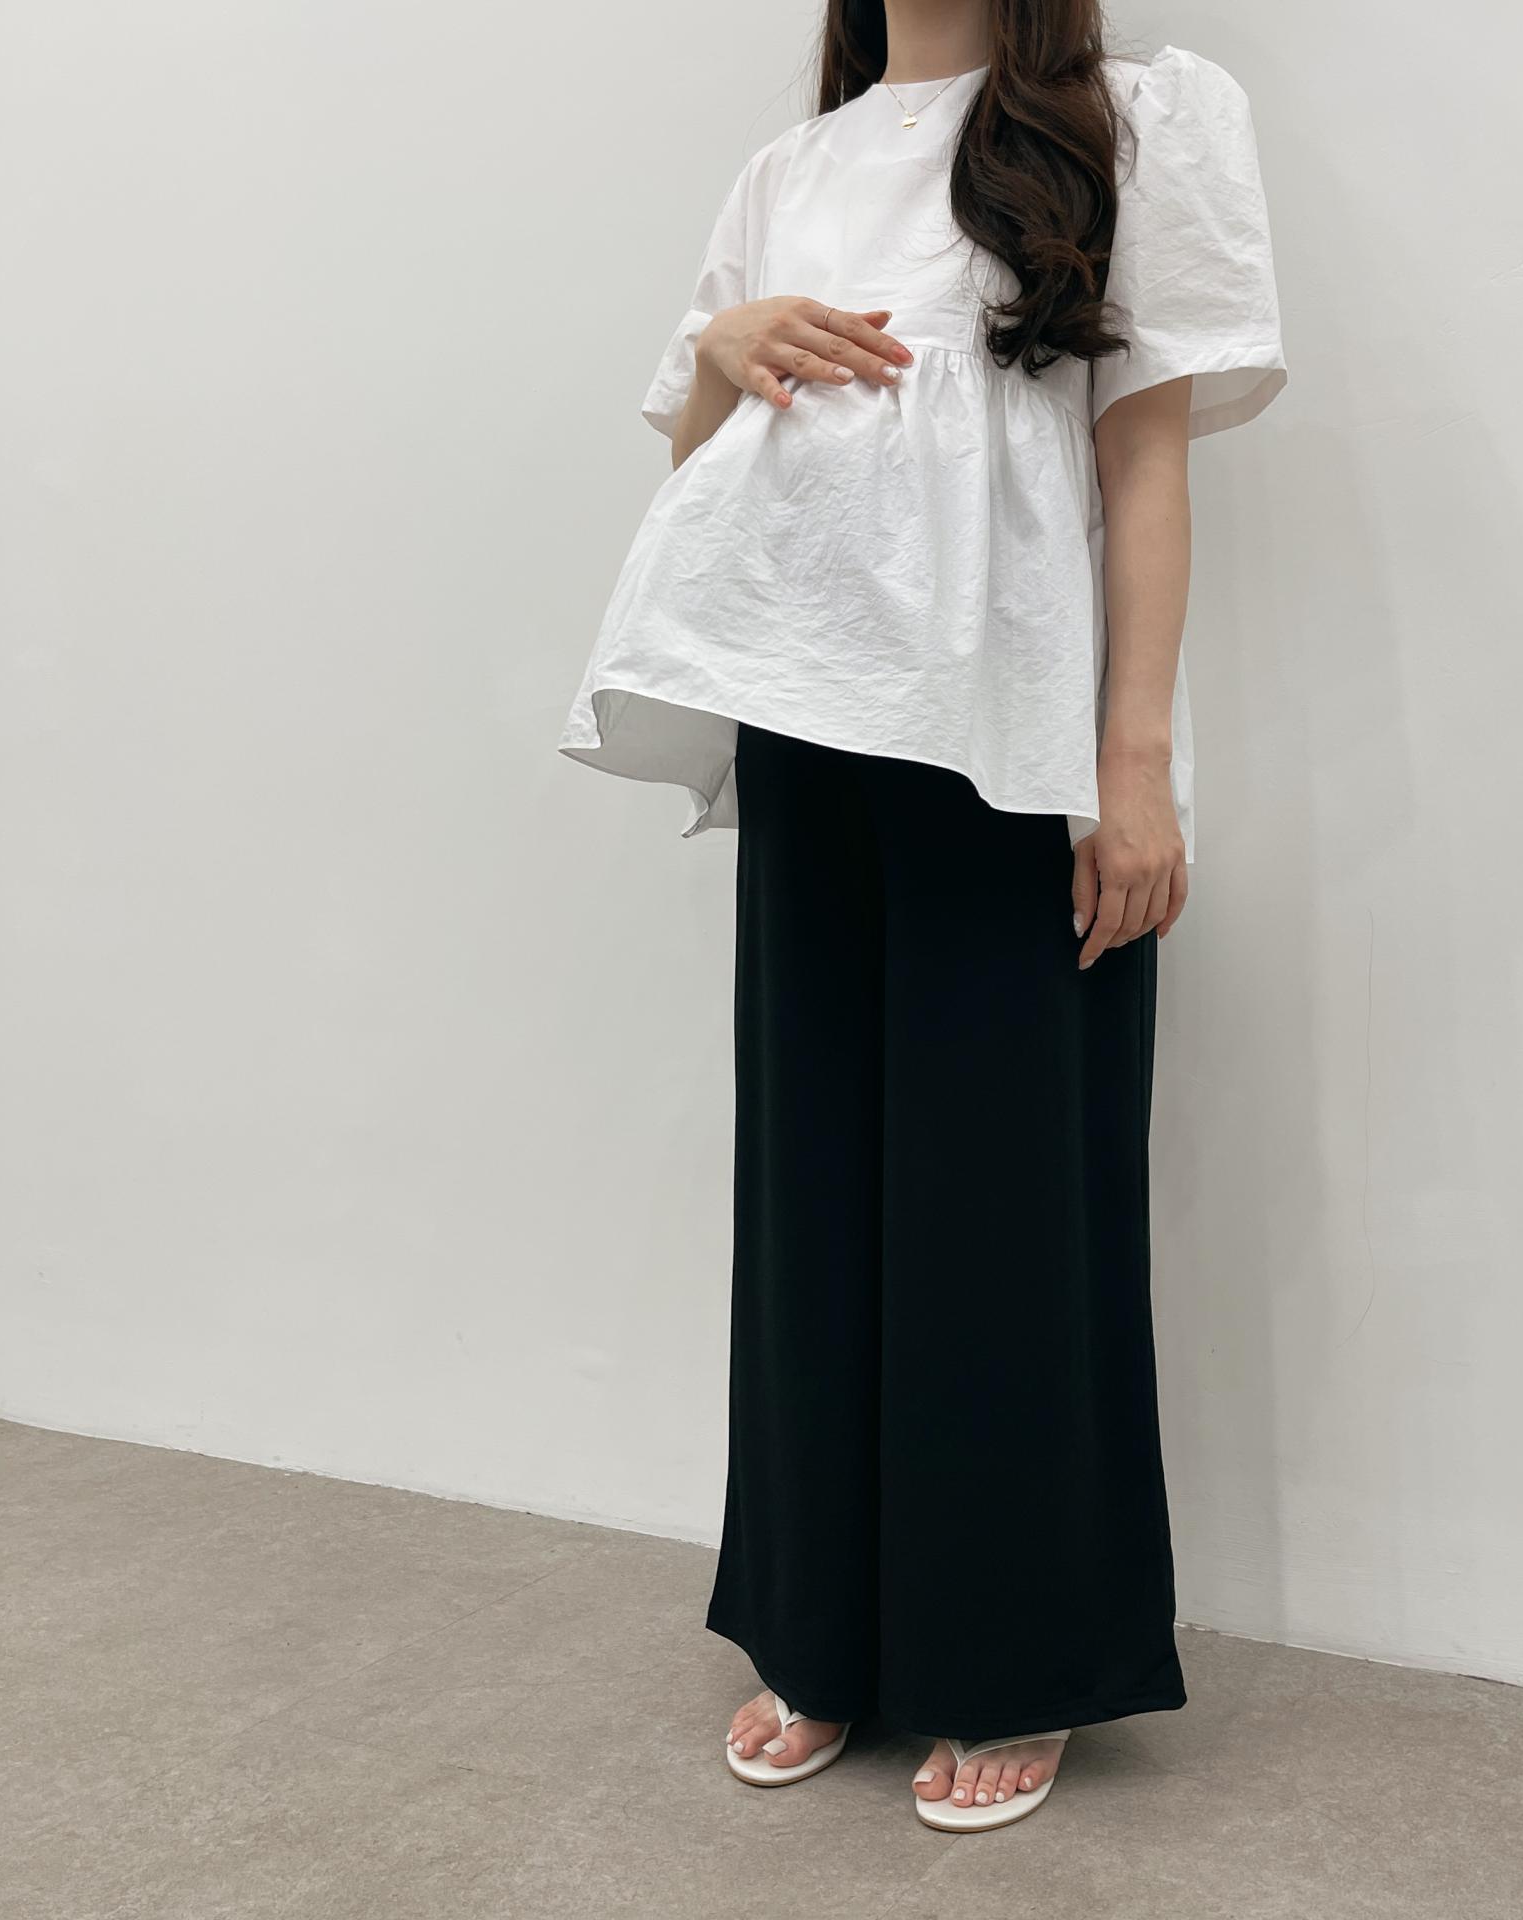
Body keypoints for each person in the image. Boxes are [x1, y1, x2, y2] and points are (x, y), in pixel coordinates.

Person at [556, 0, 1285, 1832]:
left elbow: (1145, 461)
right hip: (813, 717)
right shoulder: (789, 170)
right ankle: (822, 1629)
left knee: (1008, 1201)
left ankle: (1011, 1651)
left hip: (1013, 741)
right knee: (813, 1186)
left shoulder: (1135, 120)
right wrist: (717, 354)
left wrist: (1134, 765)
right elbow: (713, 496)